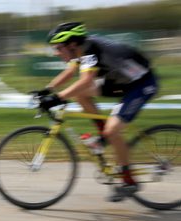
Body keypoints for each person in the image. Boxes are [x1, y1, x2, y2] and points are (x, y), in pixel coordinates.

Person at [34, 22, 158, 202]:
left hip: (141, 84)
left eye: (58, 47)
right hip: (121, 81)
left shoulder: (90, 49)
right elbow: (70, 72)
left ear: (72, 44)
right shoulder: (81, 49)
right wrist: (48, 89)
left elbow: (85, 81)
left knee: (113, 130)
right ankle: (103, 136)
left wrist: (58, 97)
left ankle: (129, 181)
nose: (56, 52)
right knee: (81, 96)